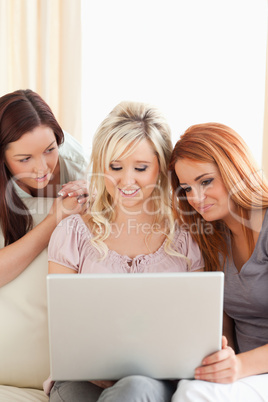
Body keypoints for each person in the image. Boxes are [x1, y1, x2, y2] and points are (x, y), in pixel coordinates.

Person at [45, 101, 204, 402]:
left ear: (161, 166)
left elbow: (196, 327)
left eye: (141, 168)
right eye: (115, 167)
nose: (126, 181)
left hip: (153, 381)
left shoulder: (185, 238)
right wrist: (92, 364)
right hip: (83, 377)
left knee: (135, 389)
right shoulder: (72, 233)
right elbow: (62, 327)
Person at [169, 122, 268, 402]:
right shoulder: (212, 237)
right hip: (246, 378)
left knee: (192, 394)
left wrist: (239, 366)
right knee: (189, 388)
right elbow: (222, 320)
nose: (196, 198)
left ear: (234, 168)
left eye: (206, 181)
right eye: (187, 188)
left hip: (250, 373)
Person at [0, 89, 89, 287]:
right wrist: (54, 220)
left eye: (50, 150)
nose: (42, 168)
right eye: (24, 159)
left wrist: (97, 190)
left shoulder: (76, 162)